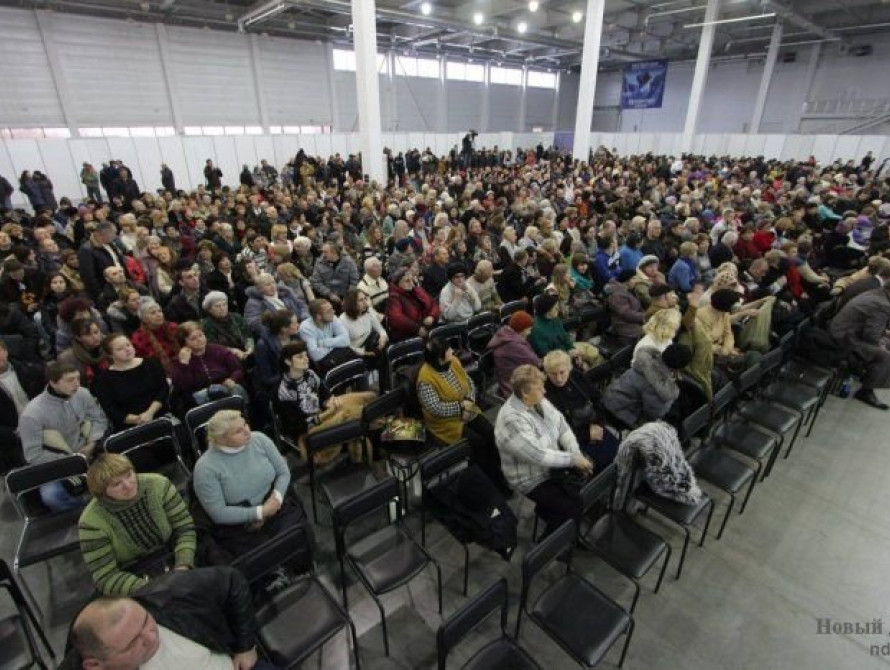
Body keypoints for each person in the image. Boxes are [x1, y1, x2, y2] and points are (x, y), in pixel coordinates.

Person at [62, 565, 276, 670]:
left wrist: (245, 645)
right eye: (133, 643)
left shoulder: (168, 594)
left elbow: (232, 580)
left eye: (145, 621)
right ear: (95, 665)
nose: (151, 636)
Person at [193, 410, 303, 572]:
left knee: (295, 537)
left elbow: (283, 472)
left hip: (275, 505)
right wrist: (259, 512)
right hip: (239, 525)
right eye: (238, 430)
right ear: (222, 439)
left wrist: (276, 498)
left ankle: (296, 568)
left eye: (245, 424)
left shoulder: (259, 439)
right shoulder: (205, 468)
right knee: (258, 557)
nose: (247, 430)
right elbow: (218, 512)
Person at [494, 364, 592, 538]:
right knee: (571, 505)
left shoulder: (535, 398)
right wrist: (574, 460)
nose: (545, 392)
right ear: (525, 392)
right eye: (540, 388)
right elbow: (538, 455)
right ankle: (554, 544)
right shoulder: (512, 420)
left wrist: (575, 453)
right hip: (531, 478)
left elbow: (562, 425)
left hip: (550, 465)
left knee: (582, 487)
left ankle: (555, 518)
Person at [78, 453, 196, 596]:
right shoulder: (91, 523)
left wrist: (183, 566)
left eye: (128, 475)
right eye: (116, 484)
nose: (128, 485)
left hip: (173, 553)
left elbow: (185, 528)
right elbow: (106, 577)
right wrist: (153, 588)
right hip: (133, 574)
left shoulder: (159, 485)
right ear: (102, 492)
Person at [417, 337, 511, 496]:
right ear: (439, 357)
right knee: (477, 444)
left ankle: (498, 472)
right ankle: (488, 483)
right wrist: (460, 408)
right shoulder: (425, 378)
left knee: (491, 433)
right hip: (446, 423)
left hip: (467, 409)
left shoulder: (453, 362)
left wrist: (468, 401)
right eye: (448, 350)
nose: (452, 352)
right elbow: (435, 409)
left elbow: (469, 383)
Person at [19, 361, 108, 510]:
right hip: (57, 463)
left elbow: (99, 419)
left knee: (119, 468)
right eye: (70, 380)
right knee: (51, 496)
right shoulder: (31, 414)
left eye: (78, 378)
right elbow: (33, 455)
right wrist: (71, 459)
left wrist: (92, 443)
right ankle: (86, 509)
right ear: (53, 383)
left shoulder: (83, 393)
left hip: (89, 451)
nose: (77, 384)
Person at [276, 340, 376, 462]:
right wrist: (326, 413)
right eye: (300, 357)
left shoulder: (309, 373)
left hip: (325, 411)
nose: (306, 358)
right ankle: (386, 432)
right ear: (287, 361)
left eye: (306, 355)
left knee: (370, 396)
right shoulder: (284, 391)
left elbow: (324, 393)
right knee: (349, 414)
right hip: (309, 428)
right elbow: (297, 426)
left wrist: (329, 400)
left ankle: (378, 433)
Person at [542, 350, 620, 472]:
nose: (558, 378)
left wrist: (597, 424)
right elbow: (557, 434)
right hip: (574, 441)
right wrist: (587, 435)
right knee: (603, 469)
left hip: (594, 426)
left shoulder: (576, 377)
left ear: (569, 369)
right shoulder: (545, 396)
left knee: (620, 454)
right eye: (553, 374)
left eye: (562, 372)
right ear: (546, 373)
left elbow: (597, 399)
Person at [603, 343, 692, 429]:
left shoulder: (648, 361)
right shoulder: (657, 385)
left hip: (610, 396)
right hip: (618, 414)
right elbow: (654, 414)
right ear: (678, 368)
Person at [830, 286, 890, 410]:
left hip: (843, 331)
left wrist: (884, 334)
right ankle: (866, 391)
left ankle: (866, 374)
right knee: (885, 356)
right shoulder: (883, 305)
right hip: (844, 339)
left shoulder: (875, 292)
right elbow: (871, 336)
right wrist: (882, 343)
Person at [93, 334, 170, 432]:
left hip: (160, 415)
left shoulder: (151, 363)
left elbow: (163, 390)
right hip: (129, 427)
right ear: (110, 355)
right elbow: (111, 409)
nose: (127, 349)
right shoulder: (104, 379)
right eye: (120, 349)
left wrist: (150, 413)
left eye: (128, 345)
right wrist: (137, 420)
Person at [170, 321, 246, 406]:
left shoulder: (218, 349)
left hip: (225, 387)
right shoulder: (179, 360)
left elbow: (238, 369)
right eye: (193, 338)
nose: (199, 340)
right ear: (184, 342)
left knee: (237, 389)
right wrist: (184, 364)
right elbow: (181, 387)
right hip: (201, 396)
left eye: (201, 335)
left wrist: (232, 379)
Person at [0, 339, 44, 473]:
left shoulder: (30, 370)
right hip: (13, 441)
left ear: (6, 351)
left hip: (44, 425)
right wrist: (15, 434)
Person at [528, 292, 599, 368]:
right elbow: (546, 354)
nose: (558, 309)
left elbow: (564, 337)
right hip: (555, 360)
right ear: (547, 311)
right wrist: (568, 354)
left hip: (566, 350)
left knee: (594, 352)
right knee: (586, 363)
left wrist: (572, 349)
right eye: (555, 307)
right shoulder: (536, 330)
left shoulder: (555, 318)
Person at [487, 310, 541, 398]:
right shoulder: (513, 345)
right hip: (514, 386)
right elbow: (537, 363)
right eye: (529, 329)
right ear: (522, 329)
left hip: (517, 378)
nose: (530, 332)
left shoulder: (508, 335)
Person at [299, 298, 359, 376]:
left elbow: (346, 340)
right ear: (318, 316)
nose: (333, 312)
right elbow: (315, 355)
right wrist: (336, 345)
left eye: (332, 309)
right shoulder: (306, 328)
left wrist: (321, 343)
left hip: (335, 357)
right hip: (322, 365)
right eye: (329, 311)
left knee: (358, 364)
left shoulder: (333, 318)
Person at [386, 267, 440, 341]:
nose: (412, 284)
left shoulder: (417, 290)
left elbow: (433, 304)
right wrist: (417, 329)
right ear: (398, 283)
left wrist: (432, 316)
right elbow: (397, 319)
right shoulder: (393, 297)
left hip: (427, 327)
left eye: (412, 280)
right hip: (408, 334)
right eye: (407, 281)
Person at [243, 273, 308, 335]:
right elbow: (253, 324)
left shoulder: (286, 292)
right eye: (267, 285)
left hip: (300, 325)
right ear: (259, 288)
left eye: (273, 282)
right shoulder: (254, 302)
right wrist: (278, 331)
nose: (272, 286)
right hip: (279, 334)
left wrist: (304, 318)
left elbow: (301, 304)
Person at [339, 288, 388, 369]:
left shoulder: (368, 311)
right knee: (381, 356)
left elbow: (380, 329)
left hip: (371, 345)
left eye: (365, 298)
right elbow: (347, 347)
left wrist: (383, 338)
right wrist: (366, 353)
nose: (365, 303)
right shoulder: (342, 321)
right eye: (361, 300)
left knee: (382, 348)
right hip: (356, 352)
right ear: (352, 303)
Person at [201, 291, 254, 362]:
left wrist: (249, 348)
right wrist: (233, 351)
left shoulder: (236, 317)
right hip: (223, 357)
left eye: (224, 304)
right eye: (217, 306)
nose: (222, 308)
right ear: (210, 310)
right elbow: (212, 346)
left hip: (245, 352)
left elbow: (247, 335)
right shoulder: (206, 324)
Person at [130, 298, 179, 375]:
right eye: (153, 313)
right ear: (143, 318)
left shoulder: (173, 327)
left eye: (160, 311)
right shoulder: (138, 337)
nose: (158, 315)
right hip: (157, 374)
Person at [57, 317, 109, 390]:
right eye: (88, 335)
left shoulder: (110, 345)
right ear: (78, 338)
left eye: (96, 332)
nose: (95, 337)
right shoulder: (67, 358)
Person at [310, 242, 359, 307]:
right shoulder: (319, 263)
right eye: (322, 252)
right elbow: (316, 282)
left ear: (334, 252)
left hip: (346, 295)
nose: (323, 254)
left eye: (325, 252)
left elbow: (354, 280)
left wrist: (348, 297)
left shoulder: (349, 262)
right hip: (327, 296)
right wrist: (329, 294)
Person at [606, 268, 645, 345]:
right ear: (627, 280)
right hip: (625, 327)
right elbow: (626, 314)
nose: (636, 281)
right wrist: (645, 316)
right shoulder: (617, 295)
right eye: (634, 278)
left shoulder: (628, 290)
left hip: (634, 321)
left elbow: (638, 307)